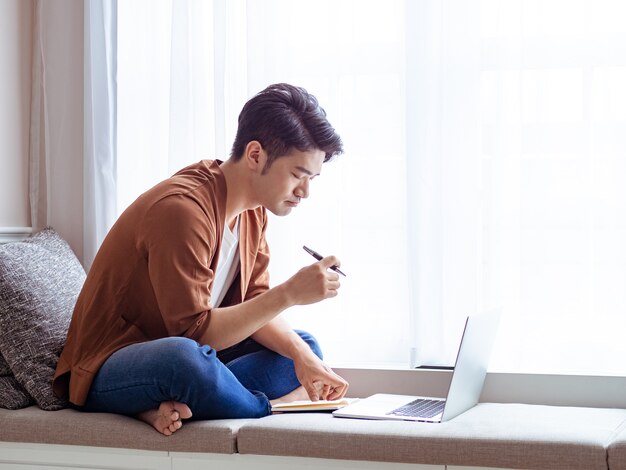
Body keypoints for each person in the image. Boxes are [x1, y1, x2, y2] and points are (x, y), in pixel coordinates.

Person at [53, 83, 349, 435]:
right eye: (298, 175)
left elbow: (255, 306)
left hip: (188, 349)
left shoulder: (253, 214)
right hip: (113, 364)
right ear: (255, 155)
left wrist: (303, 357)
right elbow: (193, 331)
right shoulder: (183, 210)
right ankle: (272, 407)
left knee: (302, 348)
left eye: (312, 178)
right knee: (184, 361)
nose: (305, 192)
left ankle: (182, 405)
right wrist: (289, 293)